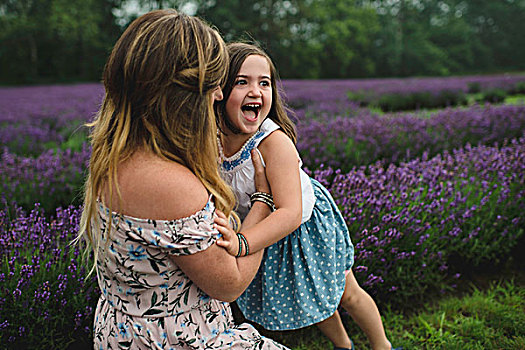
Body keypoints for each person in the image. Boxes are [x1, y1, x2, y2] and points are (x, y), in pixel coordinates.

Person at [75, 10, 289, 349]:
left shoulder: (118, 155)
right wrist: (263, 201)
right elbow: (230, 284)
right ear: (180, 96)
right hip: (180, 338)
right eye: (213, 85)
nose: (218, 96)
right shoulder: (169, 184)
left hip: (125, 332)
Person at [214, 43, 397, 350]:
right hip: (265, 229)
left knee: (345, 292)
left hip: (304, 225)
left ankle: (383, 346)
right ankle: (344, 346)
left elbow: (290, 212)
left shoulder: (274, 143)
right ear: (218, 91)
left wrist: (244, 243)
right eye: (241, 82)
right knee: (312, 296)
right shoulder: (213, 138)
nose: (256, 91)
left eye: (265, 83)